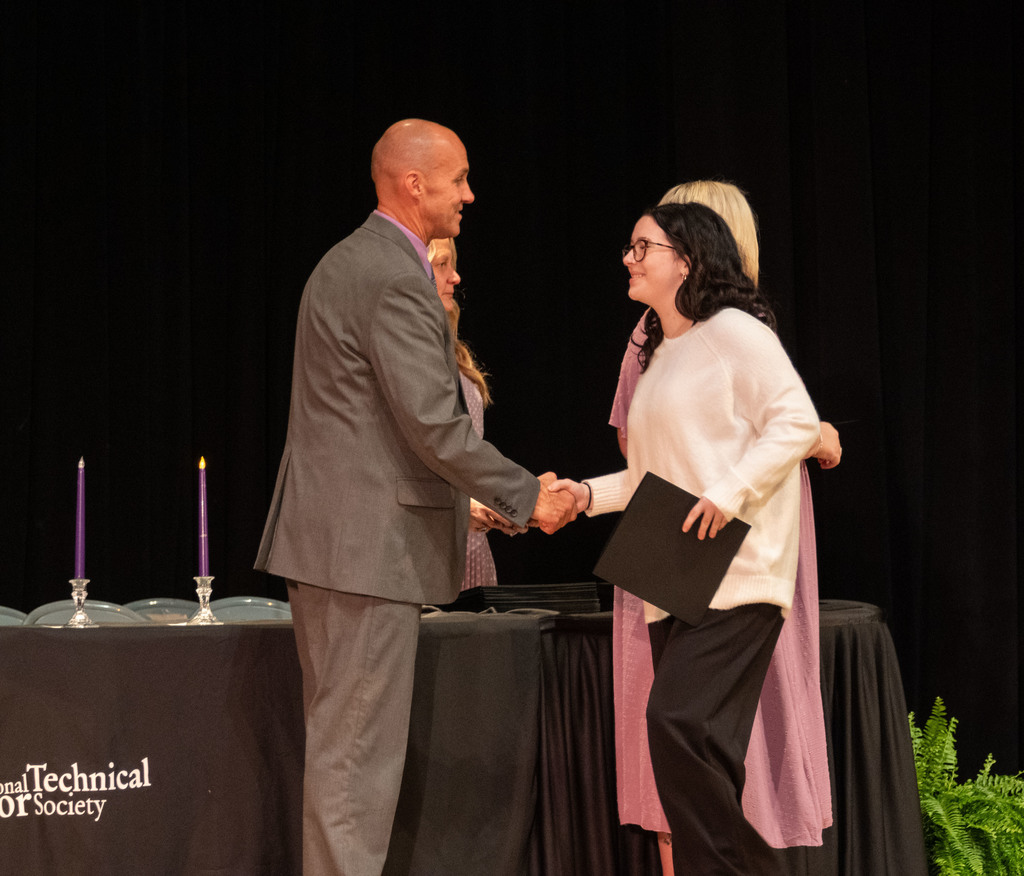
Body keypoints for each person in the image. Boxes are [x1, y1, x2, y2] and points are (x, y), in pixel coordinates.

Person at [254, 119, 575, 876]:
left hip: (341, 549)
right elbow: (435, 426)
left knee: (347, 760)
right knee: (355, 767)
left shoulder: (352, 262)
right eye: (458, 178)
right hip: (362, 555)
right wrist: (531, 497)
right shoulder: (392, 275)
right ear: (414, 184)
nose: (469, 194)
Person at [551, 201, 819, 874]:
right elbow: (651, 481)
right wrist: (583, 497)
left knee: (676, 723)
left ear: (687, 259)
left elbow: (796, 422)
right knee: (696, 758)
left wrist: (728, 495)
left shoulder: (734, 332)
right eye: (631, 247)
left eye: (643, 247)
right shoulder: (664, 355)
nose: (629, 258)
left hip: (741, 570)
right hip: (679, 575)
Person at [427, 236, 517, 589]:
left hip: (472, 548)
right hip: (430, 549)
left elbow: (470, 459)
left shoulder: (456, 356)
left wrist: (499, 501)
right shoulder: (406, 360)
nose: (455, 277)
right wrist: (460, 510)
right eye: (441, 265)